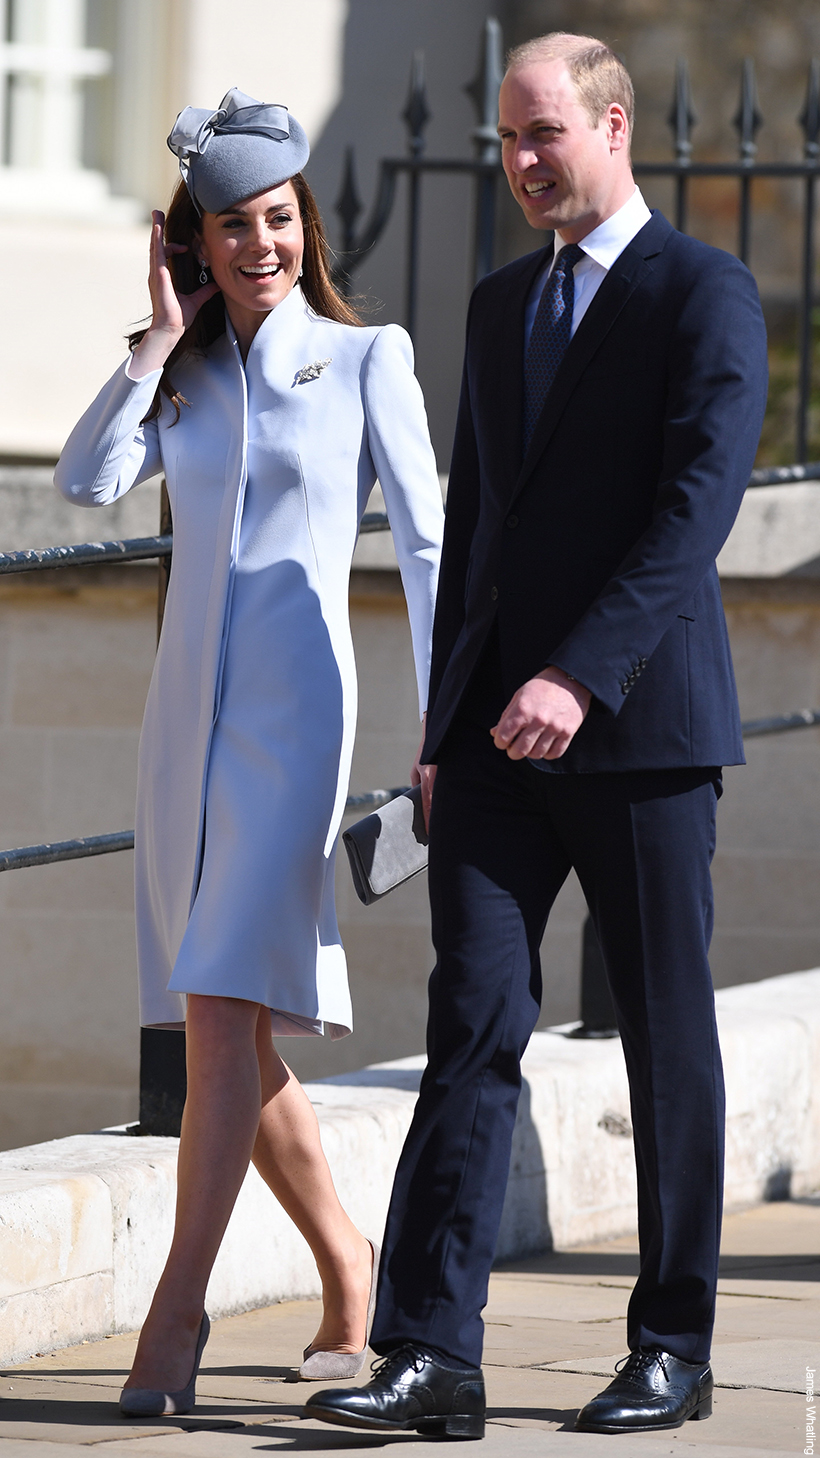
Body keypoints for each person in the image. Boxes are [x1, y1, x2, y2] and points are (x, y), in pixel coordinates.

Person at [307, 33, 768, 1440]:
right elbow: (483, 541)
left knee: (664, 1038)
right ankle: (433, 1353)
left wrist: (580, 675)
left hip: (642, 733)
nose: (516, 163)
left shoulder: (706, 292)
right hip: (497, 750)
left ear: (614, 124)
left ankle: (672, 1351)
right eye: (506, 141)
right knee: (471, 1027)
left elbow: (694, 514)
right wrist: (444, 728)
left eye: (542, 135)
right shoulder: (502, 305)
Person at [55, 88, 443, 1416]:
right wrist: (155, 345)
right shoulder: (189, 375)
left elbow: (436, 551)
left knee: (225, 1013)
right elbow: (87, 480)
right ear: (197, 243)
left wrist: (444, 728)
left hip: (296, 726)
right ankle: (350, 1269)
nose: (260, 244)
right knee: (228, 1024)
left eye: (277, 219)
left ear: (305, 224)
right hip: (183, 735)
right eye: (233, 227)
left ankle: (174, 1319)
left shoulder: (368, 356)